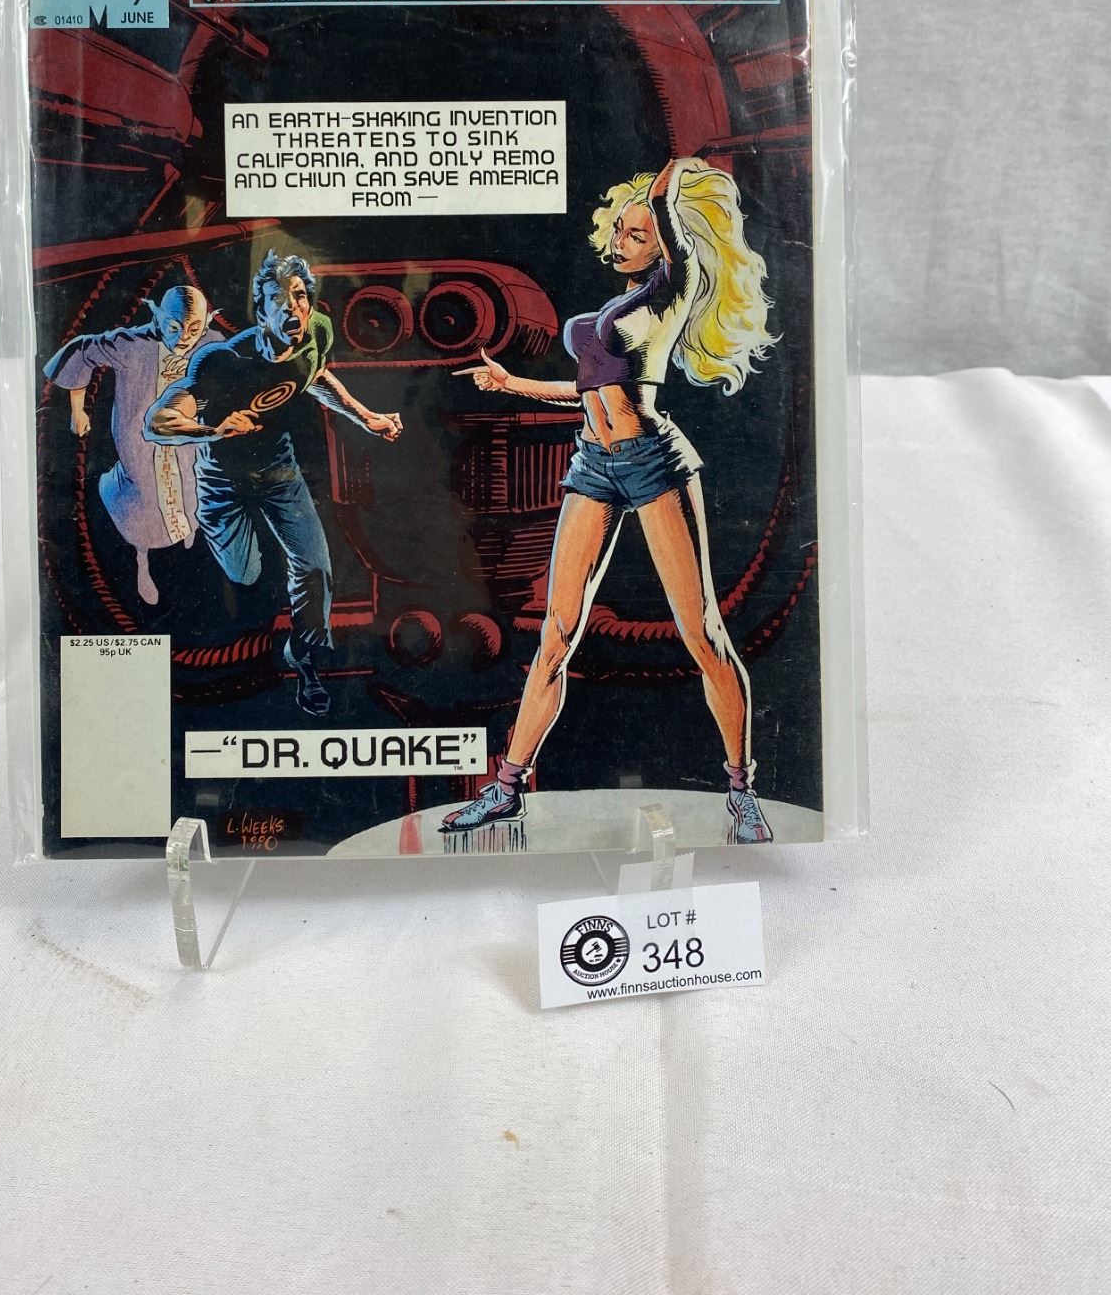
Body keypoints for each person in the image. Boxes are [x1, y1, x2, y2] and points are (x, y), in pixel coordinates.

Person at [441, 158, 778, 845]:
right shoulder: (614, 310)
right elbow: (587, 391)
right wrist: (511, 384)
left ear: (665, 242)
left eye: (638, 234)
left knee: (700, 632)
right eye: (619, 231)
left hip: (652, 462)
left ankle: (742, 792)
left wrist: (672, 173)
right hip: (593, 464)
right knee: (556, 633)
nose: (621, 242)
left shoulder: (674, 288)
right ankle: (505, 788)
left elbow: (669, 211)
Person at [144, 250, 403, 716]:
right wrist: (214, 430)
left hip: (280, 474)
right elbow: (157, 421)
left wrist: (366, 417)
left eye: (299, 296)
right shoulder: (222, 361)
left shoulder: (317, 333)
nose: (291, 308)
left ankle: (303, 658)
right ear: (260, 311)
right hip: (223, 484)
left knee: (315, 568)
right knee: (244, 574)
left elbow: (315, 376)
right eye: (277, 300)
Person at [43, 287, 217, 605]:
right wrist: (77, 410)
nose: (184, 338)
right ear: (159, 318)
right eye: (174, 327)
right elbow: (82, 349)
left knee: (191, 485)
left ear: (205, 324)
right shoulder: (133, 344)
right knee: (144, 500)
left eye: (194, 329)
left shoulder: (211, 343)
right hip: (139, 443)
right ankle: (142, 560)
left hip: (185, 440)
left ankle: (188, 532)